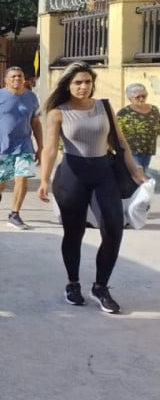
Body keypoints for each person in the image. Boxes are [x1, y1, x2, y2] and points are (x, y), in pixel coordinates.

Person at [37, 62, 146, 313]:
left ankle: (100, 287)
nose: (83, 86)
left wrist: (135, 170)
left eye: (87, 82)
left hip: (104, 174)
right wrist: (44, 180)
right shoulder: (58, 112)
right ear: (68, 85)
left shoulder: (104, 107)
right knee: (74, 234)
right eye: (77, 82)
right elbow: (51, 148)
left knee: (113, 230)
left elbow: (121, 142)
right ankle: (72, 283)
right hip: (72, 176)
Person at [0, 67, 43, 230]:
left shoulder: (31, 97)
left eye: (20, 76)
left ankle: (14, 214)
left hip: (25, 146)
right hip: (2, 147)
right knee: (0, 181)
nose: (17, 79)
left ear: (24, 79)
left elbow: (36, 123)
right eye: (13, 76)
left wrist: (40, 148)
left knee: (22, 178)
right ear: (6, 80)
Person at [116, 83, 160, 175]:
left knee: (142, 174)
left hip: (148, 150)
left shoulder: (154, 110)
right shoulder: (124, 112)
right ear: (130, 98)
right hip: (132, 151)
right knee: (138, 175)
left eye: (143, 96)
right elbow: (117, 131)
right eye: (137, 97)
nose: (141, 99)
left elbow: (158, 126)